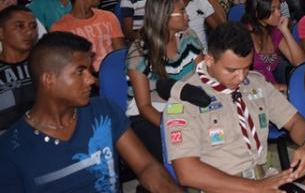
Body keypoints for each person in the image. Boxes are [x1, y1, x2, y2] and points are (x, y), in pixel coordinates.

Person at [0, 31, 181, 192]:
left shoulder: (103, 110)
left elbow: (146, 167)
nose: (90, 80)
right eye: (80, 72)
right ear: (49, 79)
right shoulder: (12, 149)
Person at [162, 21, 305, 191]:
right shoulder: (185, 100)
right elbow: (187, 173)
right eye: (231, 70)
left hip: (264, 177)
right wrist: (255, 187)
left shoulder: (255, 83)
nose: (241, 77)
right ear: (209, 59)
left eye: (246, 67)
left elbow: (296, 122)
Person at [127, 0, 204, 162]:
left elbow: (203, 78)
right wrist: (171, 125)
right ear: (164, 16)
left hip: (186, 103)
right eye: (182, 11)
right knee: (177, 154)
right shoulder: (139, 52)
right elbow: (144, 106)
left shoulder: (188, 36)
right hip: (153, 113)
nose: (187, 15)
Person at [50, 0, 125, 72]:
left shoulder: (109, 16)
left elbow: (119, 53)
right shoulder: (60, 28)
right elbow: (66, 65)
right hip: (83, 77)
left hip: (113, 72)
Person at [243, 0, 305, 91]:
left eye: (278, 8)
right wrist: (280, 87)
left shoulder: (273, 31)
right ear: (257, 13)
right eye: (272, 10)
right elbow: (243, 79)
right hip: (253, 91)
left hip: (272, 91)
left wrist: (285, 31)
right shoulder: (244, 35)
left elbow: (300, 63)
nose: (278, 14)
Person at [0, 6, 37, 131]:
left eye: (33, 26)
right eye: (19, 26)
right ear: (1, 32)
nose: (29, 32)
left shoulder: (43, 64)